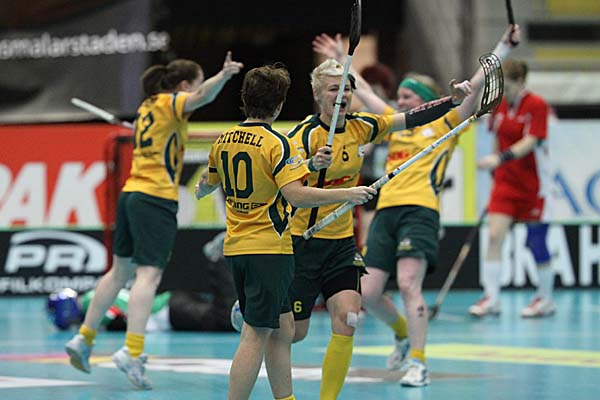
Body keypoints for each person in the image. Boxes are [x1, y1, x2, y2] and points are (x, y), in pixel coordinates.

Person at [312, 25, 520, 387]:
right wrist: (340, 60)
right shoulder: (395, 124)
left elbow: (475, 86)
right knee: (368, 293)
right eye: (400, 96)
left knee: (409, 284)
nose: (401, 101)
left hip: (420, 211)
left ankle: (419, 363)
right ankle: (403, 332)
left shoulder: (445, 123)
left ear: (423, 99)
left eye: (408, 96)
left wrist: (503, 45)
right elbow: (362, 89)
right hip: (386, 212)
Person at [284, 57, 471, 399]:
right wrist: (312, 164)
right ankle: (256, 315)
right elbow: (291, 193)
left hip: (341, 245)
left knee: (348, 319)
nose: (342, 95)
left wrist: (452, 101)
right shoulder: (302, 135)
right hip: (304, 241)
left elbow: (412, 117)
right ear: (317, 94)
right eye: (333, 89)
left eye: (347, 88)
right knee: (293, 333)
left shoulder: (363, 126)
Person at [195, 63, 376, 400]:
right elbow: (296, 195)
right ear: (279, 105)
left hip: (236, 247)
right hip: (269, 248)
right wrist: (347, 194)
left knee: (284, 329)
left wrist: (200, 190)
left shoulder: (224, 139)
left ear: (245, 100)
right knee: (255, 335)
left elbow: (208, 183)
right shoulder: (278, 143)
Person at [65, 52, 244, 390]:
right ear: (183, 85)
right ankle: (132, 351)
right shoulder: (170, 101)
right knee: (148, 276)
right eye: (196, 82)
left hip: (131, 194)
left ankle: (84, 338)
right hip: (155, 198)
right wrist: (223, 76)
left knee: (119, 272)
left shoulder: (148, 107)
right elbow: (202, 96)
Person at [469, 58, 556, 318]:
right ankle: (492, 298)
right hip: (505, 183)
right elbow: (498, 138)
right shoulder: (500, 105)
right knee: (494, 236)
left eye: (508, 87)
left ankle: (545, 299)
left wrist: (499, 159)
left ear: (521, 82)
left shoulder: (536, 105)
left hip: (534, 185)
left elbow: (532, 141)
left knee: (535, 241)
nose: (504, 93)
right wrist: (496, 170)